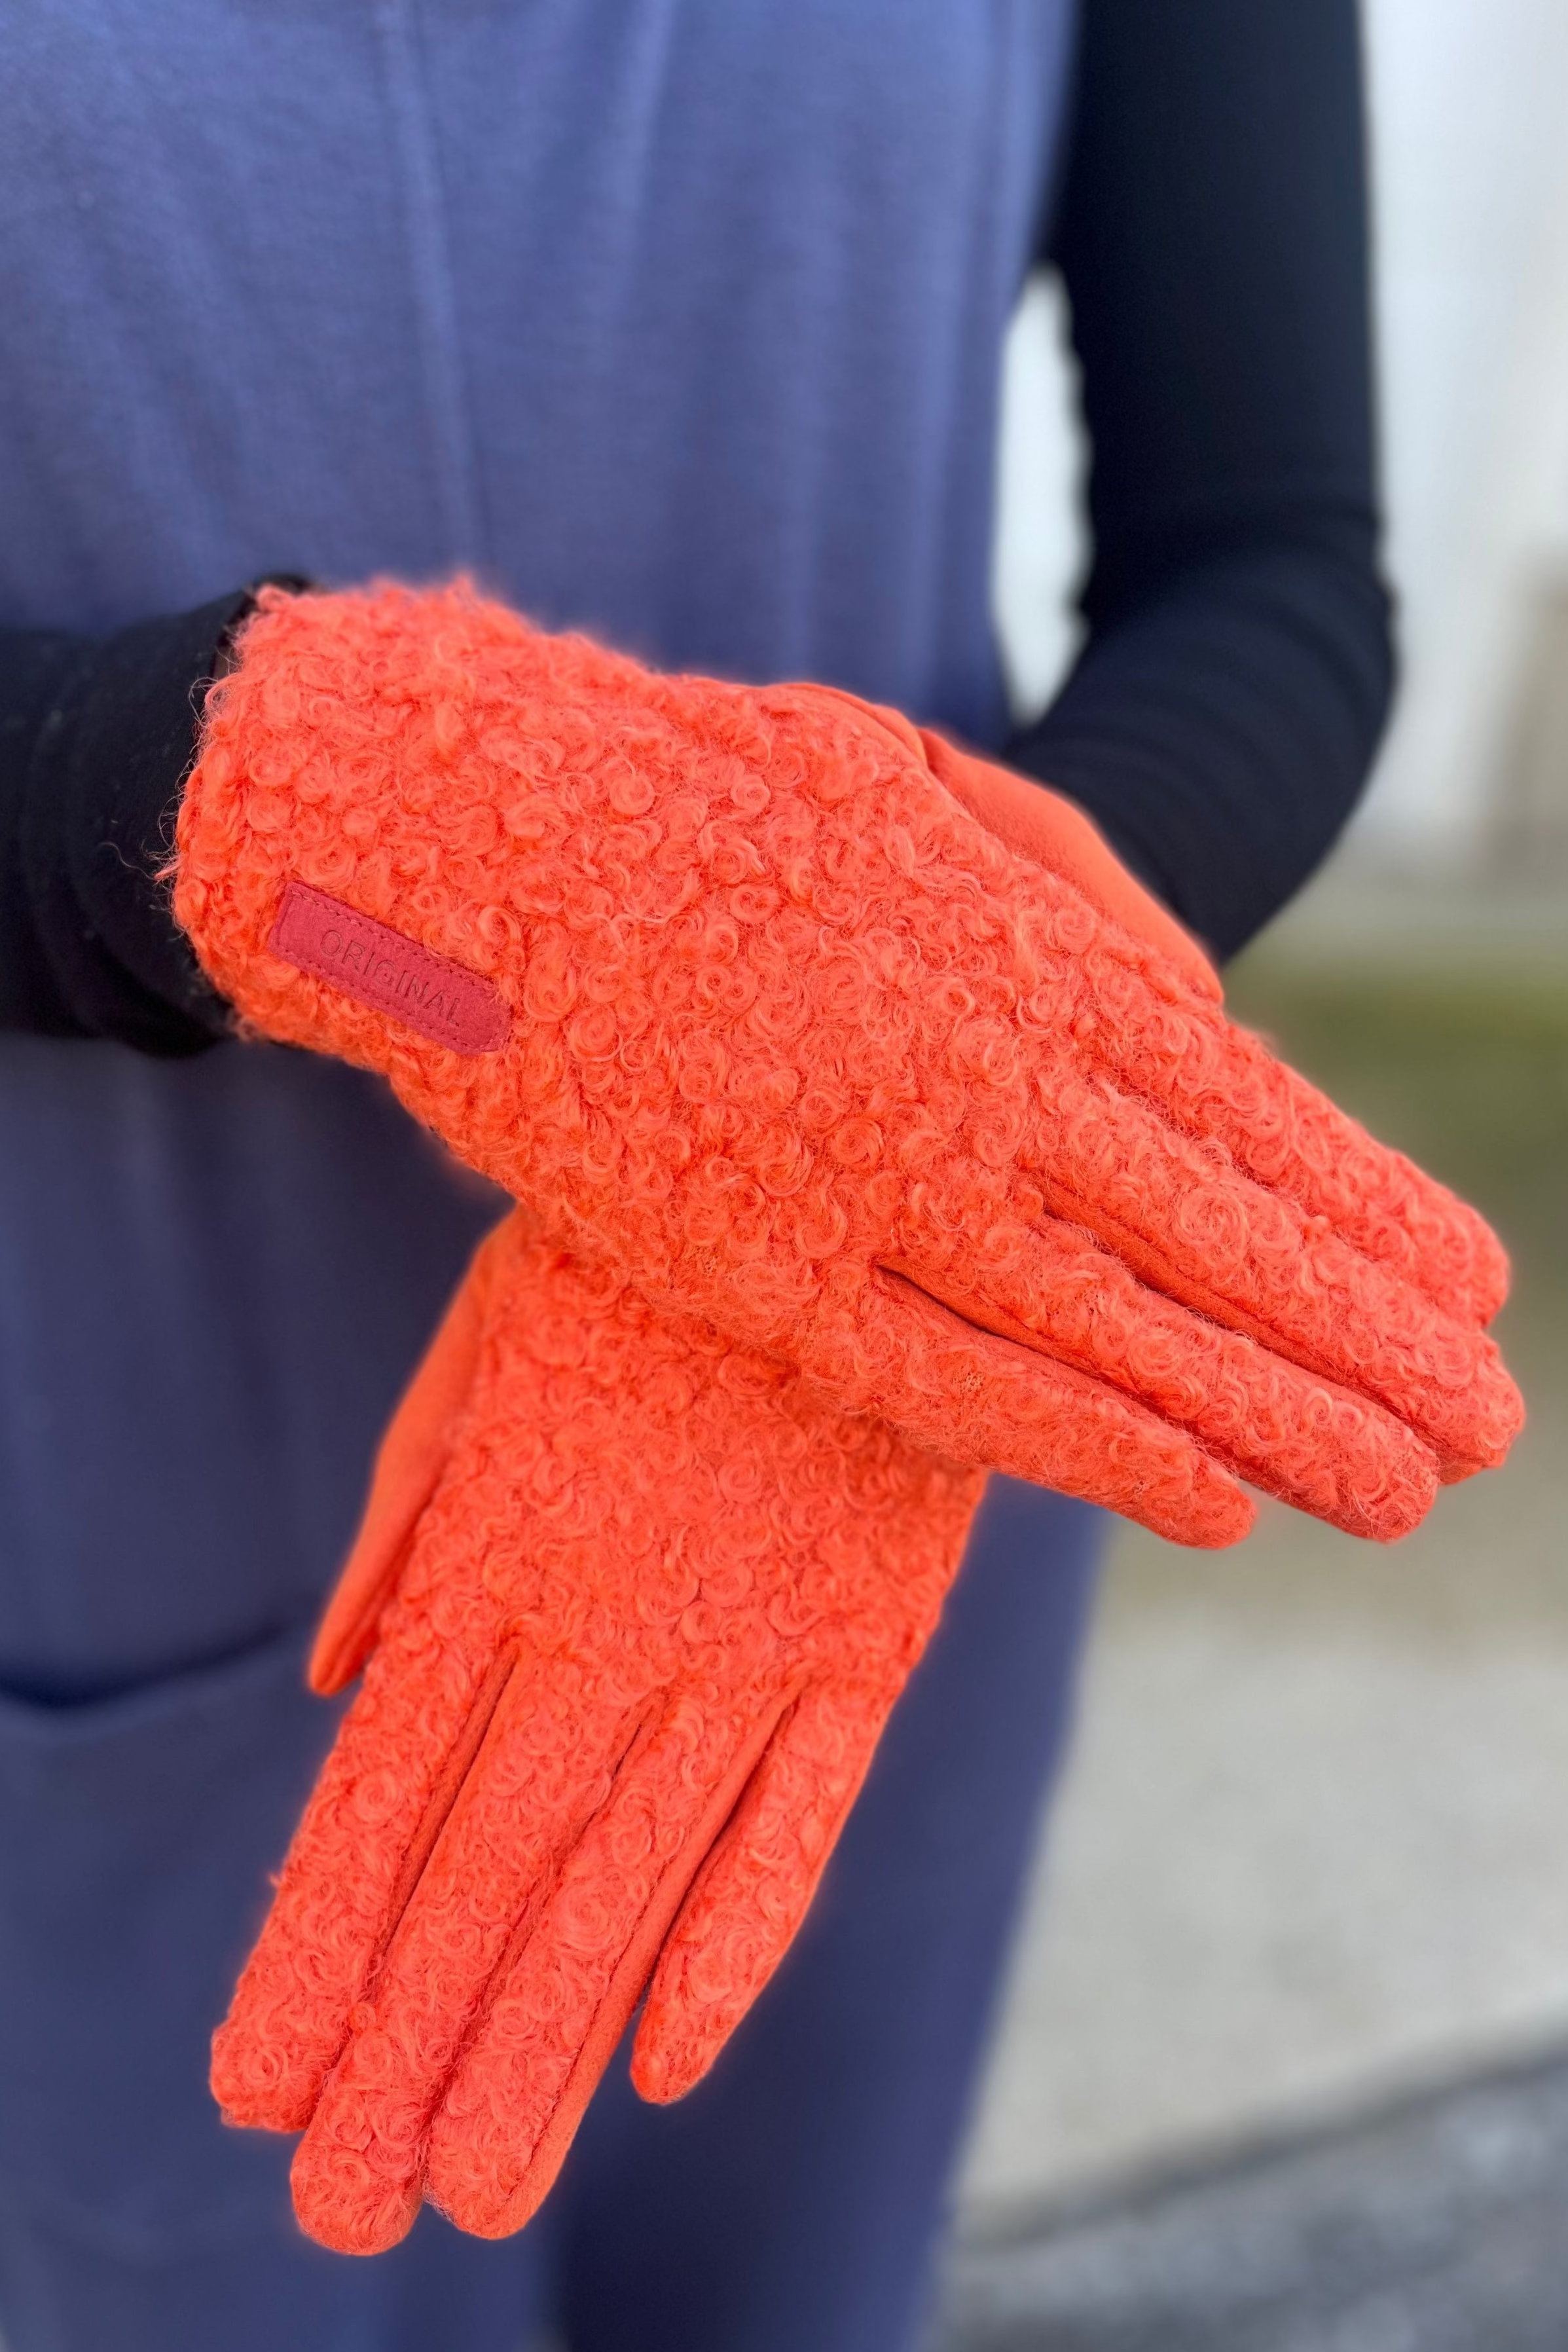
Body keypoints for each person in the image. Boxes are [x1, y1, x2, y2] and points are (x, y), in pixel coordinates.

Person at [0, 5, 1398, 2347]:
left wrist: (882, 1064)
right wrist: (303, 807)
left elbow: (1268, 555)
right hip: (122, 1436)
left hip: (870, 1434)